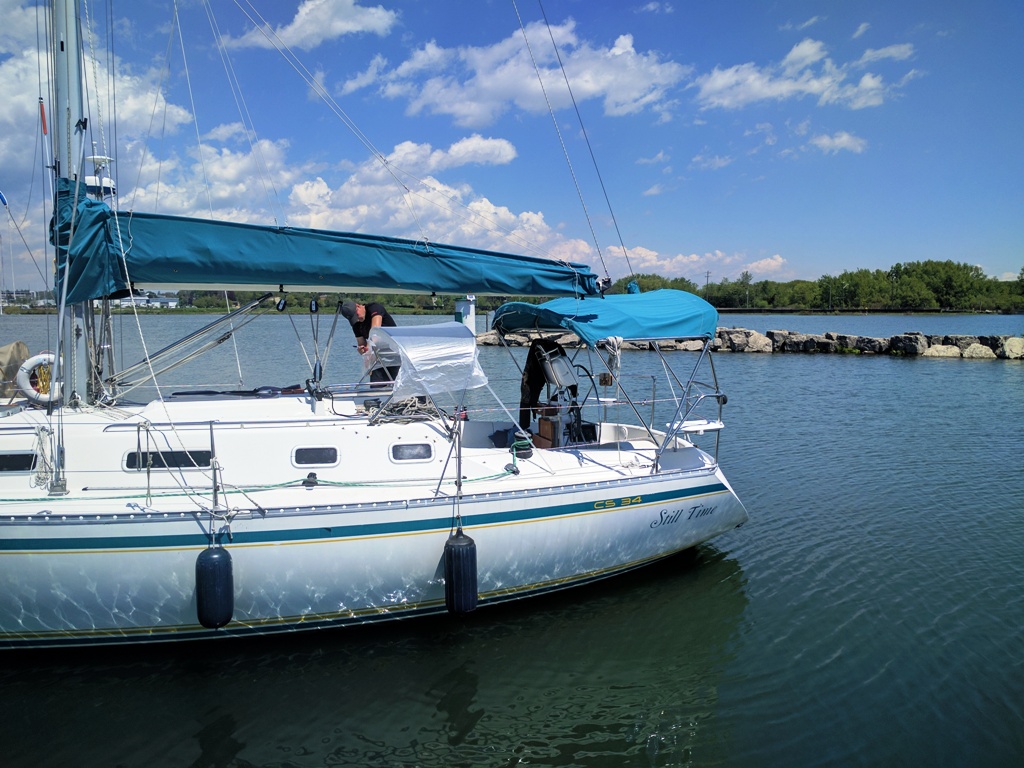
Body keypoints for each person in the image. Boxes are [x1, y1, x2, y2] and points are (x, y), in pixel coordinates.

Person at [341, 300, 400, 383]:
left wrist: (368, 350)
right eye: (354, 318)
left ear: (358, 306)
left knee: (399, 385)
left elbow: (375, 332)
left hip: (395, 355)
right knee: (376, 388)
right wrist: (362, 350)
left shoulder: (374, 308)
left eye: (357, 315)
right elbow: (361, 344)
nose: (357, 319)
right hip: (378, 359)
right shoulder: (356, 324)